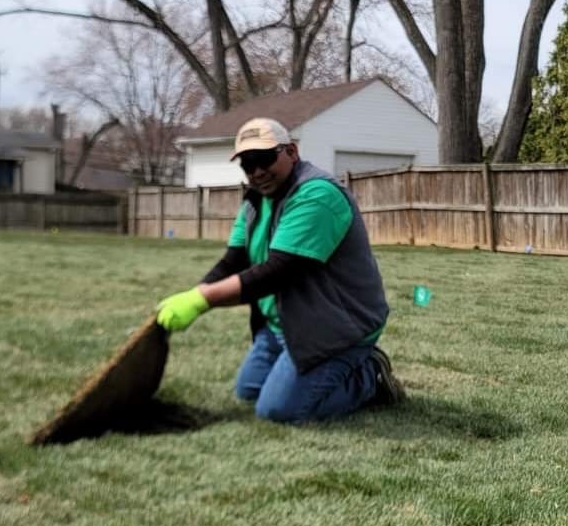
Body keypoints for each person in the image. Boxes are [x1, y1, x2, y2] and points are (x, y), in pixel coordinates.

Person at [155, 117, 404, 424]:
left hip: (336, 327)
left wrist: (203, 300)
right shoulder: (255, 203)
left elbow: (279, 272)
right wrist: (193, 294)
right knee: (249, 390)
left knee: (279, 411)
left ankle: (370, 378)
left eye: (264, 158)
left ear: (292, 152)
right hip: (284, 325)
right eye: (247, 164)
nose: (257, 171)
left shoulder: (316, 195)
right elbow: (234, 262)